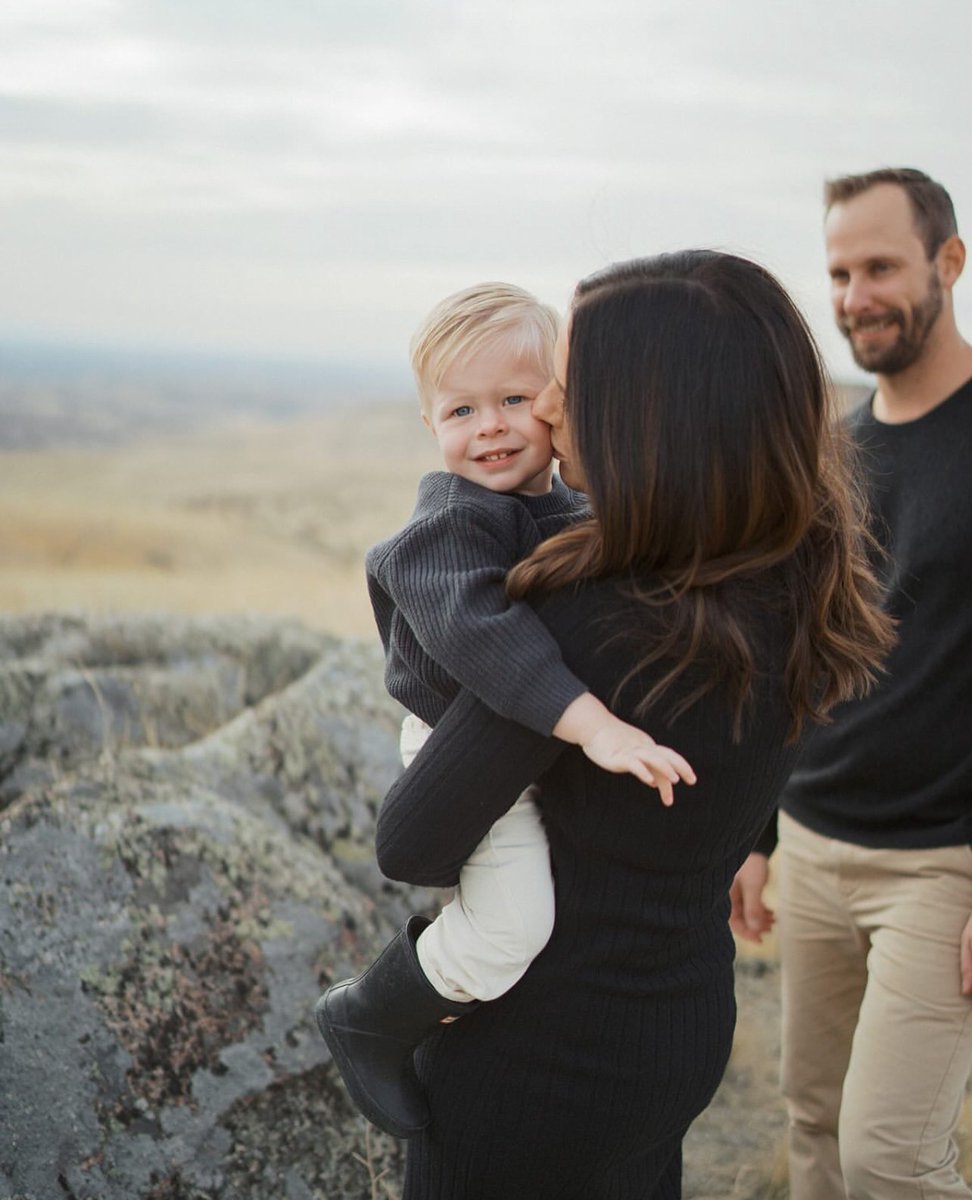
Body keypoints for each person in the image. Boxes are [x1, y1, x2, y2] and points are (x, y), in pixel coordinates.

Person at [327, 250, 893, 1199]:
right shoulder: (790, 584)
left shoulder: (598, 622)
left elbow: (414, 842)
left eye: (564, 381)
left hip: (540, 1062)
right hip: (678, 1034)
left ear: (645, 410)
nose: (543, 408)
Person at [317, 282, 694, 1139]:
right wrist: (596, 726)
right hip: (457, 744)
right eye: (461, 409)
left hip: (530, 740)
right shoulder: (449, 523)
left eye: (515, 401)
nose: (488, 426)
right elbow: (485, 637)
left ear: (560, 408)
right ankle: (371, 1012)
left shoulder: (567, 505)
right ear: (430, 426)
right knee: (512, 926)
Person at [730, 168, 972, 1199]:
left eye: (880, 266)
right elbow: (800, 656)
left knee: (893, 1158)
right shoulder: (833, 454)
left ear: (949, 263)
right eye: (838, 272)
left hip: (943, 866)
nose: (855, 295)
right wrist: (755, 832)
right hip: (817, 847)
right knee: (815, 1130)